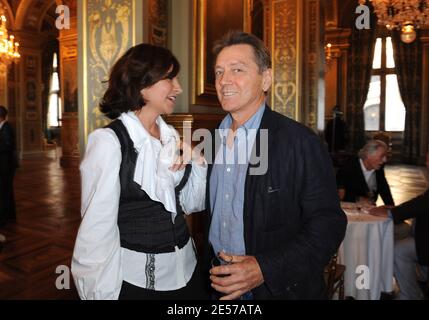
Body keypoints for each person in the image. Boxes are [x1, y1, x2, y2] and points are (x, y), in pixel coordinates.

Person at [207, 31, 347, 300]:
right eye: (219, 72)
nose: (224, 81)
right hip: (218, 288)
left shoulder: (300, 142)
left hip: (277, 289)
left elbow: (329, 224)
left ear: (266, 79)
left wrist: (264, 268)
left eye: (237, 70)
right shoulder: (212, 141)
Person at [71, 44, 209, 300]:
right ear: (142, 84)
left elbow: (190, 204)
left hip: (189, 275)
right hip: (137, 284)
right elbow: (96, 232)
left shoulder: (171, 137)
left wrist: (198, 160)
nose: (178, 87)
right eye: (170, 78)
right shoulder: (109, 142)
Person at [369, 150, 429, 300]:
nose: (426, 164)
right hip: (423, 234)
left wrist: (391, 213)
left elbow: (422, 204)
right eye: (427, 159)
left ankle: (410, 294)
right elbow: (420, 201)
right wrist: (392, 210)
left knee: (399, 250)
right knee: (400, 233)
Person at [336, 139, 394, 205]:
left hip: (369, 208)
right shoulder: (348, 167)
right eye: (382, 156)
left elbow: (384, 189)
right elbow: (337, 195)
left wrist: (392, 210)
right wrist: (357, 199)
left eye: (386, 156)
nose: (385, 160)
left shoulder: (379, 167)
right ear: (368, 155)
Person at [0, 105, 17, 227]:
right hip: (4, 163)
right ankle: (10, 215)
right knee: (7, 190)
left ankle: (5, 217)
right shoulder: (3, 127)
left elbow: (7, 146)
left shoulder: (6, 128)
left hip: (6, 164)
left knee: (5, 190)